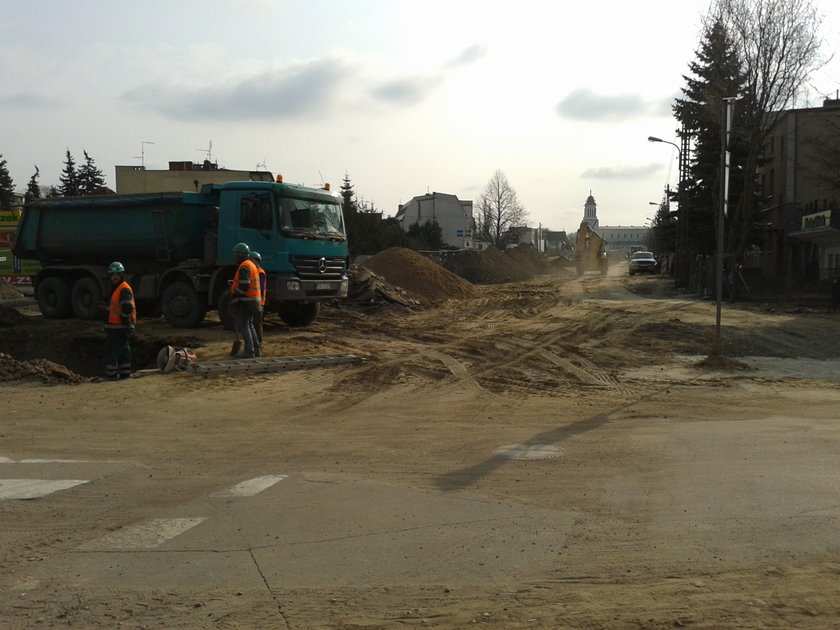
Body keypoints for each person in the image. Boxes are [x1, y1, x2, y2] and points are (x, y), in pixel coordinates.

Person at [103, 261, 136, 381]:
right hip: (119, 327)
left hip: (118, 327)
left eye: (117, 274)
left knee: (112, 351)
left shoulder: (123, 289)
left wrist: (125, 323)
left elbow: (127, 307)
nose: (114, 277)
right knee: (123, 351)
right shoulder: (117, 289)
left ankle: (111, 376)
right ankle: (125, 374)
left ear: (122, 275)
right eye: (112, 275)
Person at [231, 242, 261, 358]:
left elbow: (244, 285)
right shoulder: (251, 264)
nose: (235, 257)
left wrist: (236, 297)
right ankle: (256, 350)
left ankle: (249, 351)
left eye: (236, 254)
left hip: (247, 300)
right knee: (249, 324)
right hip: (254, 300)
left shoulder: (244, 266)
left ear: (241, 255)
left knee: (244, 324)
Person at [249, 250, 267, 344]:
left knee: (257, 324)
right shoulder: (255, 271)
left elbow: (259, 288)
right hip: (255, 302)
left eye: (251, 259)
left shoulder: (259, 272)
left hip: (258, 302)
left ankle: (258, 343)